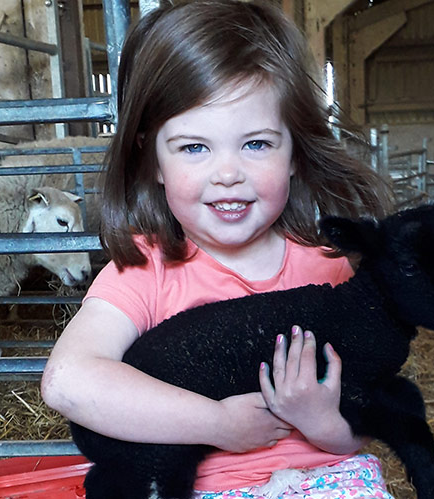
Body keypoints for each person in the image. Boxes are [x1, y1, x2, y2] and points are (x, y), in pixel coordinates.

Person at [41, 1, 395, 497]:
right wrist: (216, 423)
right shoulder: (147, 270)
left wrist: (321, 421)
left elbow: (359, 427)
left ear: (295, 150)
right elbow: (68, 381)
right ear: (154, 160)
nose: (227, 174)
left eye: (256, 144)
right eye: (193, 147)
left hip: (327, 482)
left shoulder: (327, 271)